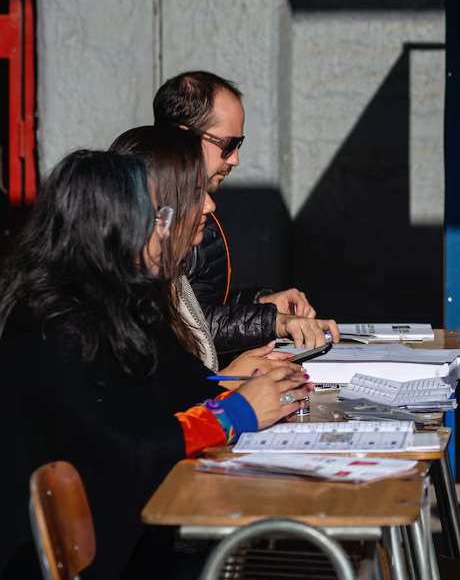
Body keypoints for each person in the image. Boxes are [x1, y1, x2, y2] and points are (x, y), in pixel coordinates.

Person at [0, 151, 311, 579]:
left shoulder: (123, 300)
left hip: (139, 540)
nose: (165, 232)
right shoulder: (48, 328)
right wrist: (234, 412)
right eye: (156, 218)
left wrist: (242, 384)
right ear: (112, 226)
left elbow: (183, 386)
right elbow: (120, 452)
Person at [110, 126, 339, 364]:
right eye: (195, 193)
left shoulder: (169, 281)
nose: (210, 206)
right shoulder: (120, 304)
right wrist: (231, 389)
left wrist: (260, 305)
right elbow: (164, 392)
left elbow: (198, 323)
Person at [150, 71, 334, 354]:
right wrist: (273, 321)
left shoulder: (183, 205)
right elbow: (178, 326)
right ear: (184, 137)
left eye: (239, 144)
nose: (235, 159)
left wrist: (262, 304)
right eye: (228, 145)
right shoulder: (150, 209)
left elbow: (197, 308)